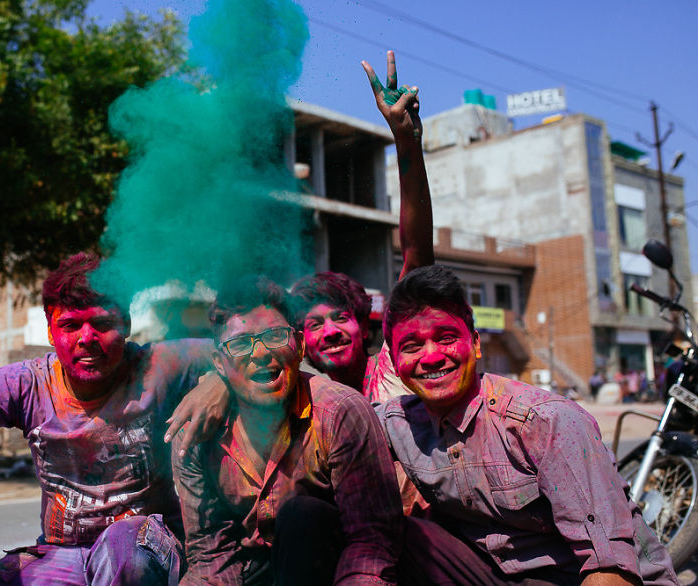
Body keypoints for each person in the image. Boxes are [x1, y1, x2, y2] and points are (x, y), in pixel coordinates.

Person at [0, 252, 224, 585]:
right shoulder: (27, 383)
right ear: (50, 330)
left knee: (123, 551)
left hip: (141, 549)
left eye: (102, 323)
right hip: (64, 553)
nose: (87, 339)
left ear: (127, 323)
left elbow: (252, 348)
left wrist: (221, 381)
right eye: (70, 325)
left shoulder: (160, 367)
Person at [375, 264, 678, 585]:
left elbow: (610, 567)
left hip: (589, 577)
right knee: (384, 530)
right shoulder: (398, 423)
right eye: (412, 347)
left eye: (446, 338)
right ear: (395, 364)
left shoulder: (545, 422)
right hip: (498, 574)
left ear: (475, 344)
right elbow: (338, 432)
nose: (432, 356)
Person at [171, 276, 403, 585]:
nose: (260, 353)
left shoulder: (340, 412)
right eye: (240, 344)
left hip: (331, 568)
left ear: (299, 345)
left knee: (302, 517)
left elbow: (371, 545)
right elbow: (211, 557)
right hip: (252, 571)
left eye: (275, 336)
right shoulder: (196, 435)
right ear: (219, 364)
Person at [291, 50, 433, 405]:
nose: (331, 332)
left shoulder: (393, 370)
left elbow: (416, 256)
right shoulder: (306, 403)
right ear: (301, 342)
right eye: (315, 325)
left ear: (364, 326)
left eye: (341, 318)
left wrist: (407, 143)